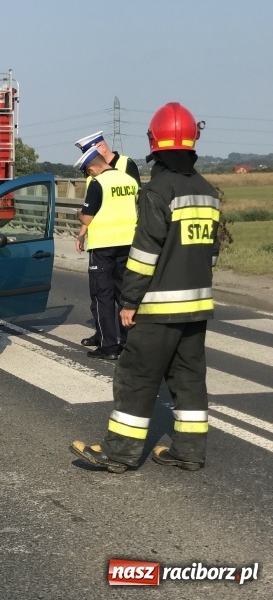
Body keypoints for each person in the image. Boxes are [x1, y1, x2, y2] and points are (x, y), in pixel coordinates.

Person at [70, 102, 219, 473]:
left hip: (158, 306)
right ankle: (189, 452)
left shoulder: (157, 191)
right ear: (192, 139)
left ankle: (119, 454)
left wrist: (130, 301)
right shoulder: (208, 191)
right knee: (188, 379)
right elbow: (211, 253)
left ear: (155, 142)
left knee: (136, 376)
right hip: (197, 304)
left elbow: (144, 255)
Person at [74, 131, 141, 348]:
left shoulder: (98, 182)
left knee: (103, 296)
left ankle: (108, 346)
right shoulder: (129, 179)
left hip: (103, 245)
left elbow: (87, 215)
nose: (90, 175)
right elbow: (136, 202)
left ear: (92, 168)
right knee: (124, 294)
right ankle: (127, 342)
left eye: (88, 172)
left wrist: (79, 218)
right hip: (128, 243)